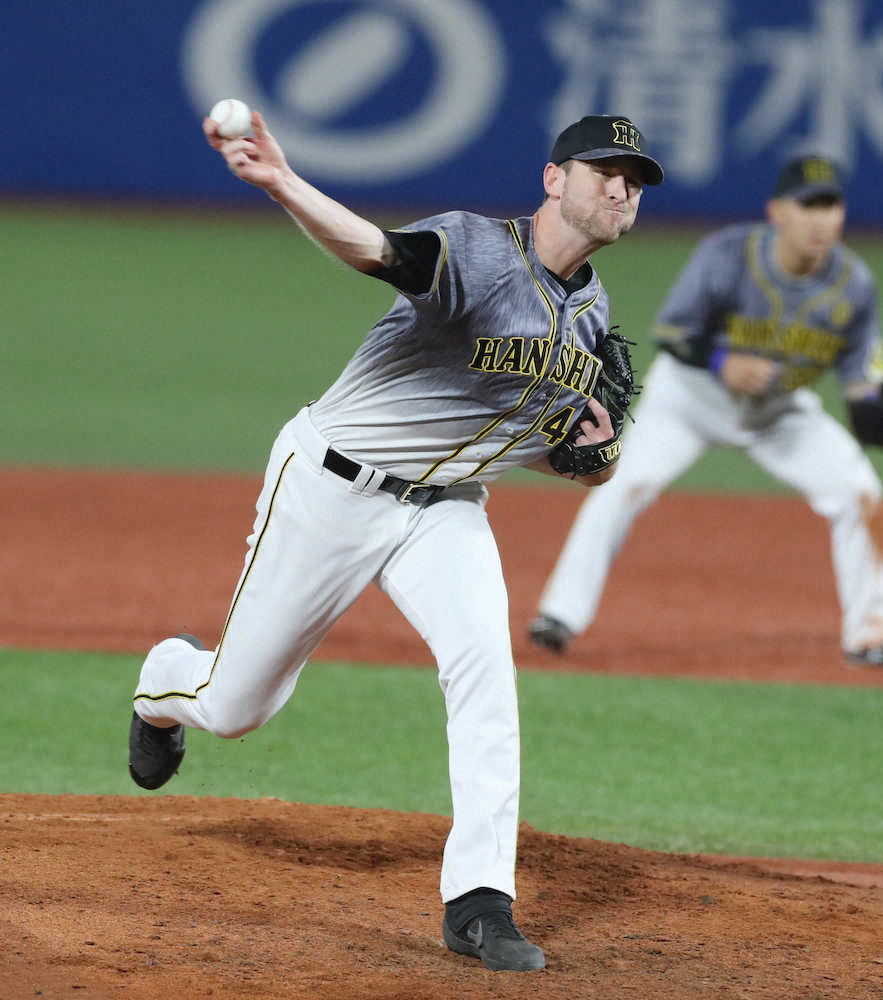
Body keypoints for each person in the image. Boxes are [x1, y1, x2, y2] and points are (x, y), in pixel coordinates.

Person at [127, 112, 664, 972]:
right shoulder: (478, 251)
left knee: (485, 671)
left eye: (634, 181)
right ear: (554, 178)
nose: (621, 190)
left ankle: (480, 902)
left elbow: (554, 450)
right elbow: (377, 252)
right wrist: (283, 183)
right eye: (606, 171)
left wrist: (593, 461)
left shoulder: (592, 318)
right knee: (235, 708)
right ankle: (164, 681)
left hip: (446, 511)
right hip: (333, 487)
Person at [529, 155, 883, 669]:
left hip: (778, 413)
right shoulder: (730, 255)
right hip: (688, 401)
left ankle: (874, 634)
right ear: (777, 212)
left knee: (858, 489)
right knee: (621, 485)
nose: (821, 219)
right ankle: (559, 614)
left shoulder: (854, 284)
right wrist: (721, 361)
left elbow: (861, 378)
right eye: (808, 205)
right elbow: (671, 332)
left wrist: (875, 405)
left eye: (830, 206)